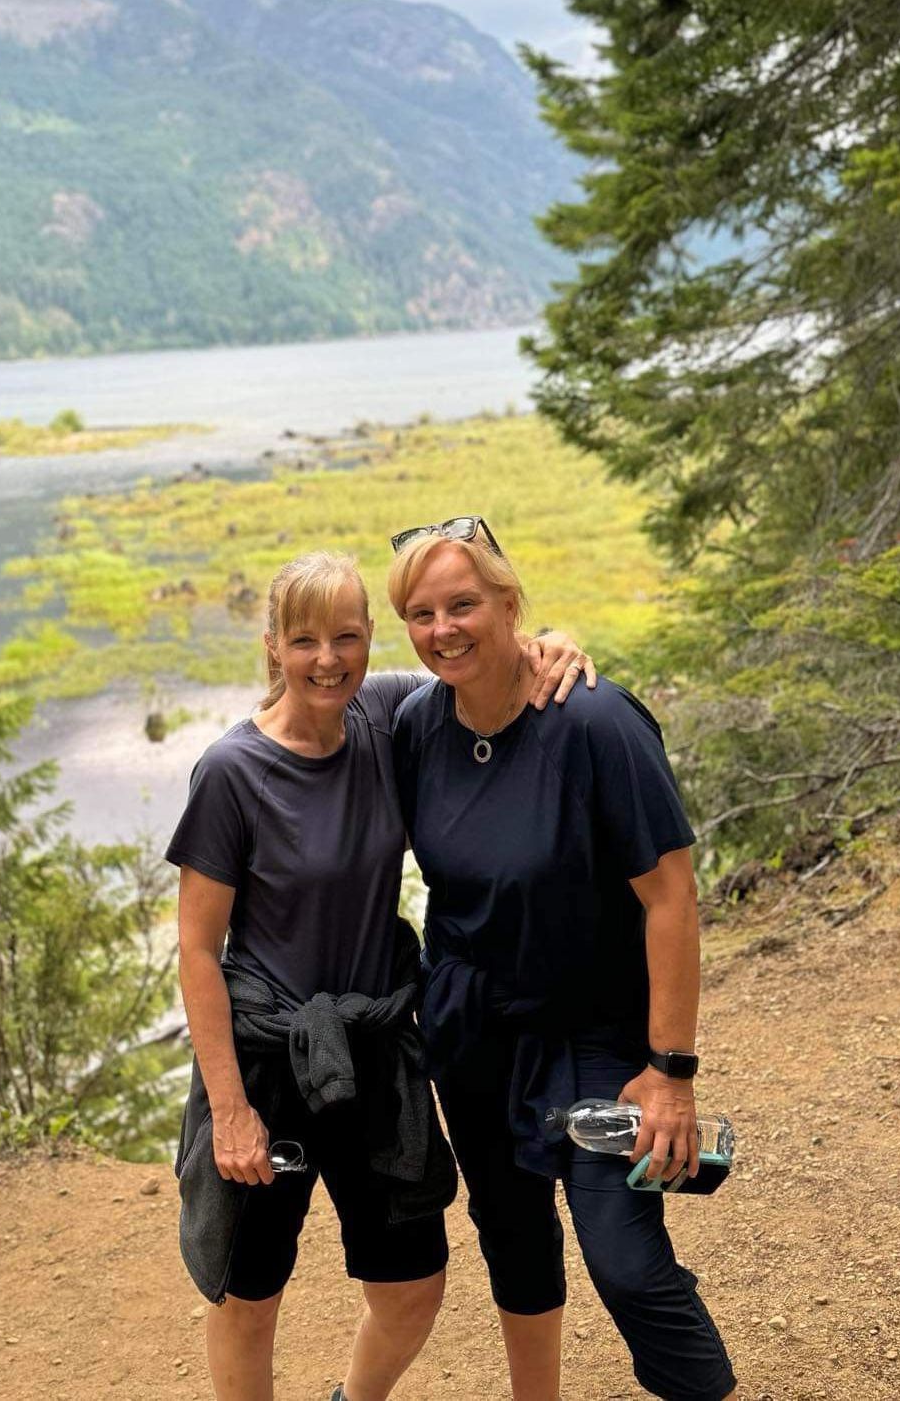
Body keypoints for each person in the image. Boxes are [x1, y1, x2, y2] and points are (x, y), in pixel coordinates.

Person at [167, 550, 592, 1401]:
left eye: (347, 637)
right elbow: (194, 951)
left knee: (410, 1287)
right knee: (250, 1292)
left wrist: (555, 643)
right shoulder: (231, 772)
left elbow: (472, 661)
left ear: (368, 641)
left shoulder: (386, 714)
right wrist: (231, 1111)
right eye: (304, 640)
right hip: (268, 1057)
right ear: (273, 649)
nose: (327, 659)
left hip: (375, 1053)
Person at [387, 518, 737, 1401]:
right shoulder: (412, 724)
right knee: (509, 1232)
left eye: (463, 604)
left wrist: (672, 1073)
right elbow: (314, 694)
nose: (443, 630)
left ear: (508, 602)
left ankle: (700, 1387)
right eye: (421, 615)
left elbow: (670, 898)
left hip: (595, 1031)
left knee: (623, 1257)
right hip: (472, 1029)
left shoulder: (592, 721)